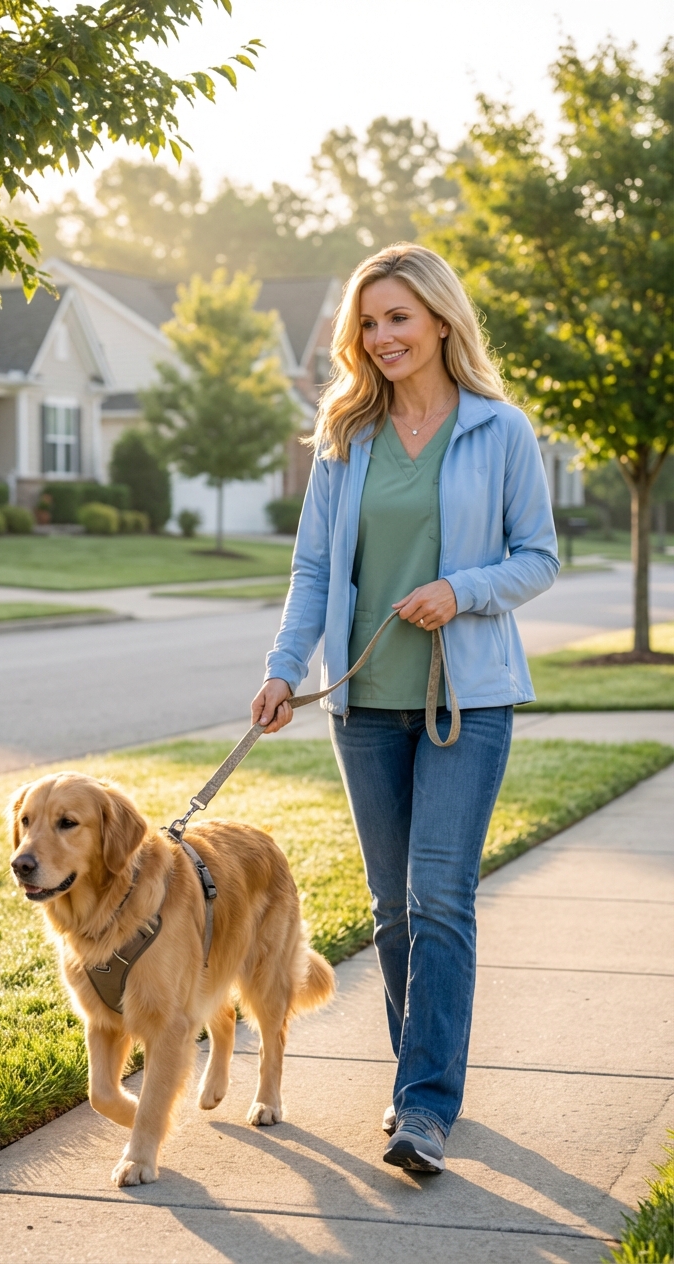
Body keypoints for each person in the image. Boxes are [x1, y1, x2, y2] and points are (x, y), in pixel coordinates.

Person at [251, 242, 558, 1174]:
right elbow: (313, 570)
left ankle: (424, 1108)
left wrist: (460, 590)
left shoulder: (500, 430)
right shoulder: (346, 434)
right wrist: (281, 668)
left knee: (441, 899)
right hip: (366, 704)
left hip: (468, 701)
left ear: (440, 320)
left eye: (399, 318)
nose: (383, 337)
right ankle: (415, 1083)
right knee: (391, 908)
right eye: (369, 322)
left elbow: (538, 556)